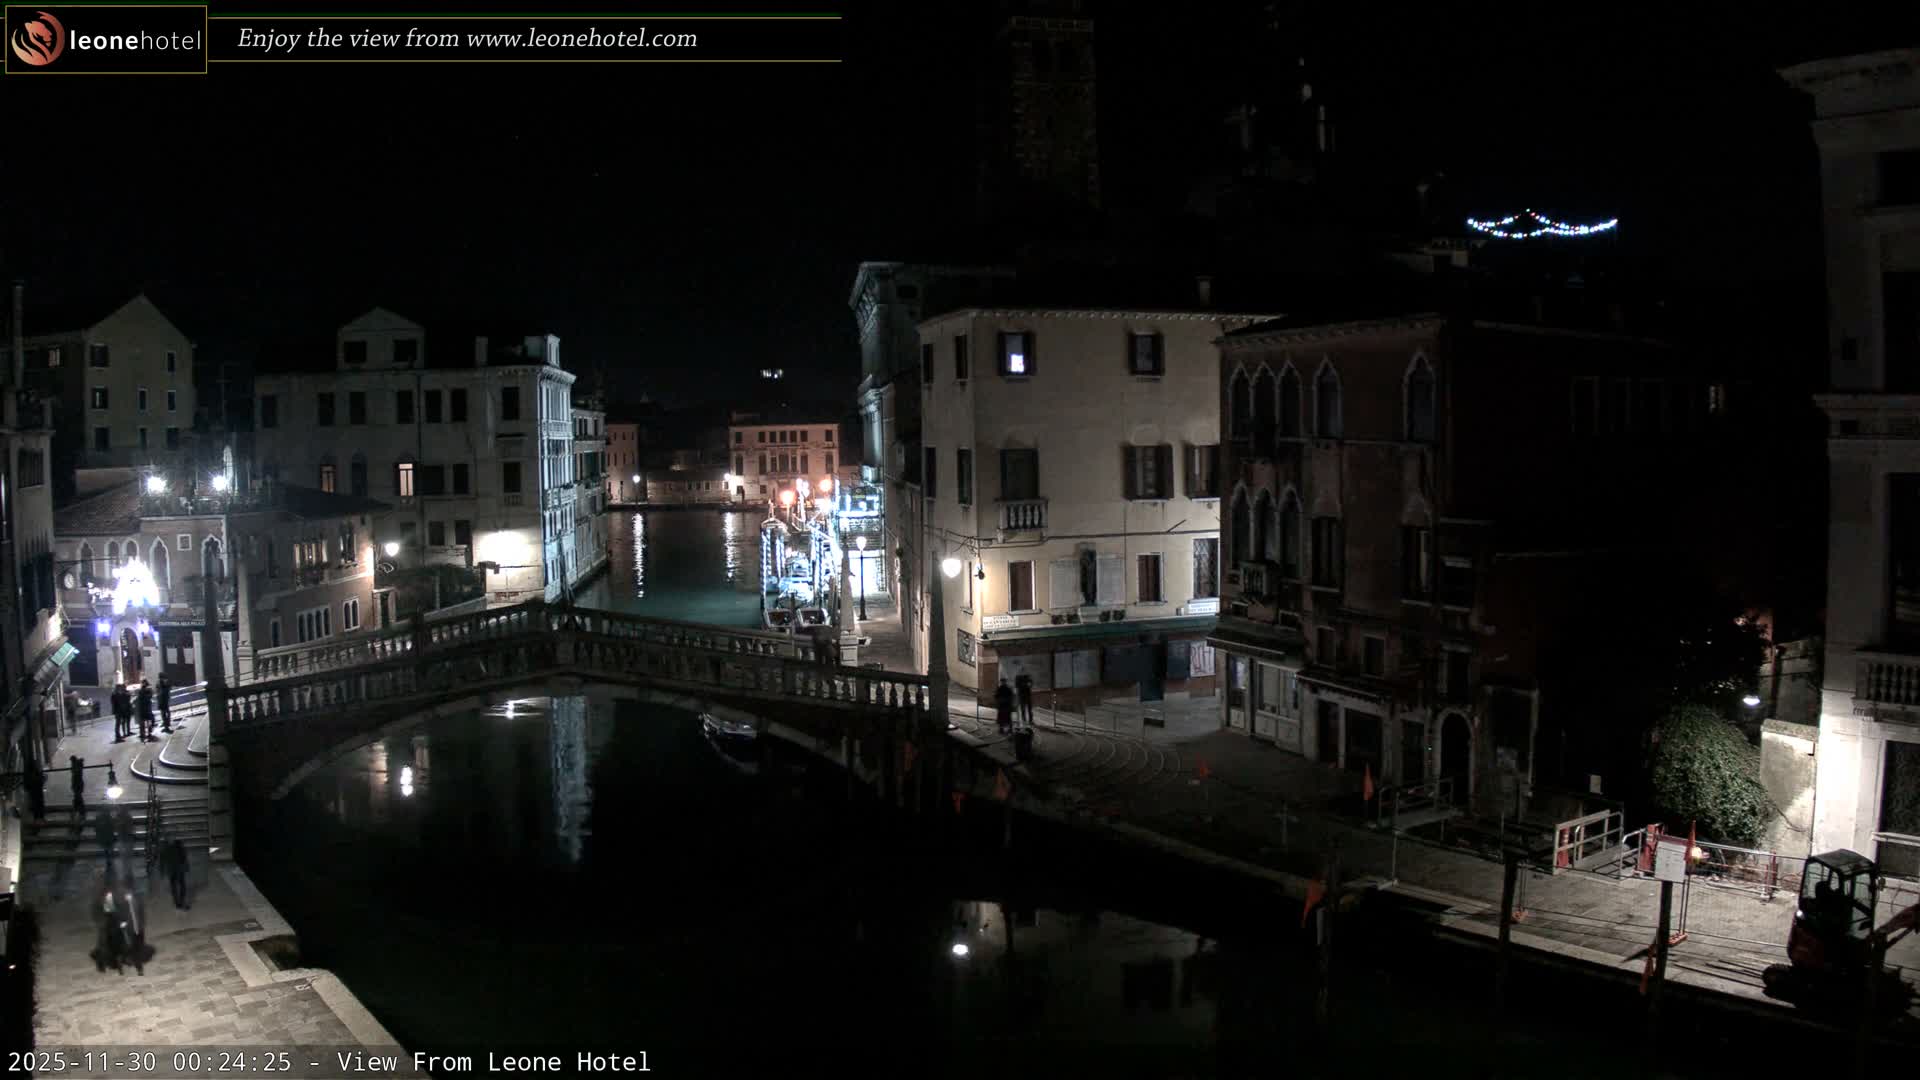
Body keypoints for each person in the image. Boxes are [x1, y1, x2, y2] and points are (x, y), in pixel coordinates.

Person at [94, 885, 127, 974]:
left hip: (114, 926)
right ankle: (102, 964)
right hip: (108, 926)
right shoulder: (102, 902)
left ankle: (119, 963)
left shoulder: (115, 900)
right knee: (105, 945)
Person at [161, 837, 190, 910]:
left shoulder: (165, 847)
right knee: (181, 886)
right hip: (178, 869)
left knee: (174, 887)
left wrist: (162, 871)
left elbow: (162, 860)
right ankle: (181, 902)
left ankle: (177, 903)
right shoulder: (179, 846)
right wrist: (186, 867)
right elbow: (184, 857)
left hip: (172, 869)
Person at [24, 756, 46, 821]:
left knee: (36, 804)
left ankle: (37, 818)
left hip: (34, 791)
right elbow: (41, 779)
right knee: (39, 804)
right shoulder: (36, 772)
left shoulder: (30, 773)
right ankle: (40, 818)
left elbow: (28, 784)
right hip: (37, 790)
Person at [69, 755, 86, 820]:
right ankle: (78, 811)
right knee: (78, 797)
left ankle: (78, 811)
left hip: (77, 784)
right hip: (78, 784)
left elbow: (75, 774)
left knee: (78, 797)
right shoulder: (77, 765)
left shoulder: (76, 766)